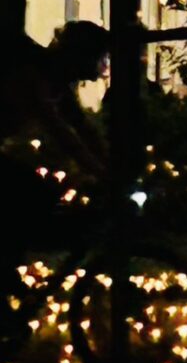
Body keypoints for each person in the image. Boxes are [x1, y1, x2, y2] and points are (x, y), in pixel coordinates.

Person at [0, 21, 111, 278]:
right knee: (28, 192)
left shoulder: (58, 83)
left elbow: (83, 129)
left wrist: (108, 164)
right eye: (101, 58)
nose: (103, 67)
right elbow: (61, 132)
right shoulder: (35, 77)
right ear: (83, 55)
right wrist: (102, 173)